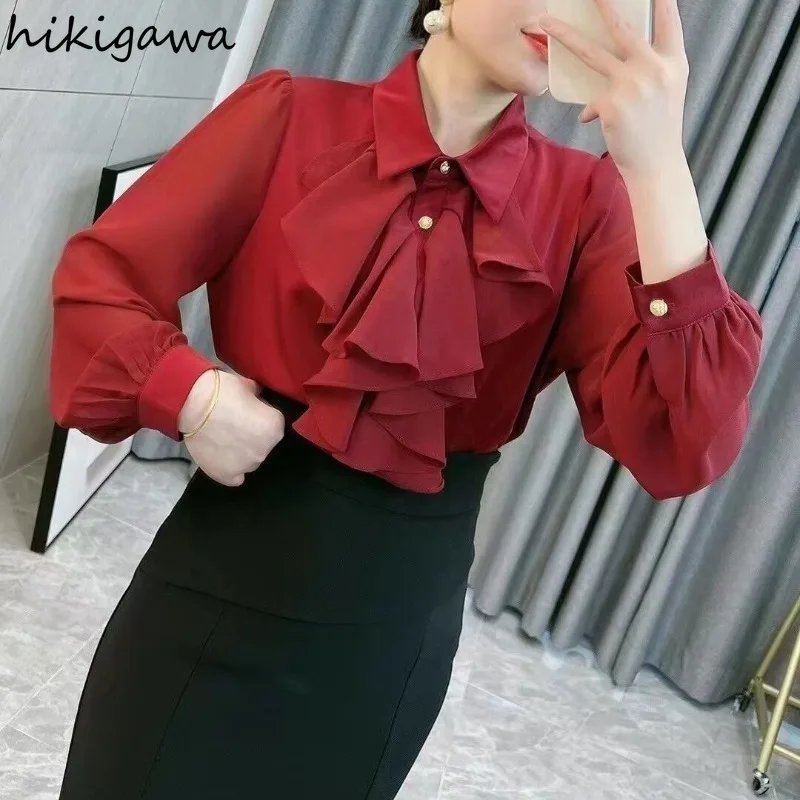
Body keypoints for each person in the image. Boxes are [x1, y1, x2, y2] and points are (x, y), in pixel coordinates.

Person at [50, 0, 763, 797]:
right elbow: (101, 279)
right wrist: (189, 395)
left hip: (383, 656)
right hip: (210, 597)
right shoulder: (288, 117)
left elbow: (686, 437)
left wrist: (660, 168)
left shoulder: (586, 203)